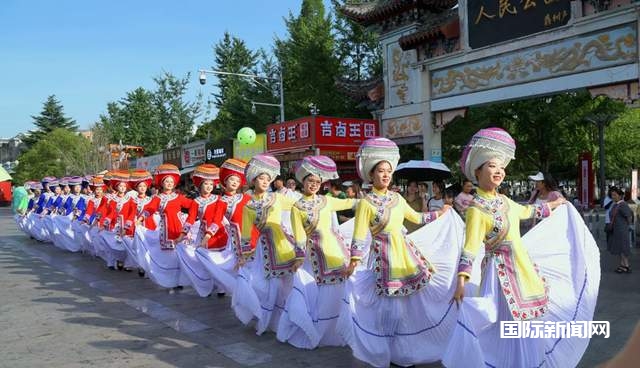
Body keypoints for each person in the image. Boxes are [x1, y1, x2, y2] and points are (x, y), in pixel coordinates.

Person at [444, 127, 600, 368]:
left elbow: (529, 211)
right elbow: (470, 248)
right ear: (477, 171)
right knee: (506, 327)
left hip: (522, 271)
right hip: (498, 277)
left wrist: (555, 205)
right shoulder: (476, 208)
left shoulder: (505, 201)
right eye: (491, 166)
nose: (498, 171)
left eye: (501, 167)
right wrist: (461, 281)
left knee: (526, 326)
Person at [337, 137, 458, 368]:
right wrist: (353, 261)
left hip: (405, 257)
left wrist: (440, 214)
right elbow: (360, 235)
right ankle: (384, 350)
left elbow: (417, 218)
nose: (385, 175)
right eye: (380, 171)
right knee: (389, 310)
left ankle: (402, 352)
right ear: (371, 175)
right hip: (383, 260)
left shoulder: (397, 198)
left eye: (388, 171)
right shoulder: (366, 203)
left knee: (406, 309)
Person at [276, 155, 356, 349]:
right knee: (317, 293)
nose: (314, 184)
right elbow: (299, 236)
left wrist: (369, 202)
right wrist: (299, 257)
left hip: (336, 251)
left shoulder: (326, 201)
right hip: (315, 255)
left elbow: (349, 204)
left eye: (317, 181)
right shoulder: (297, 207)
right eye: (310, 181)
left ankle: (342, 330)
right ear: (303, 182)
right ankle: (320, 331)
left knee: (340, 289)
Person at [232, 153, 302, 335]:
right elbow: (246, 235)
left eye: (268, 179)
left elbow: (300, 203)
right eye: (261, 178)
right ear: (253, 181)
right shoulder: (248, 207)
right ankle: (271, 320)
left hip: (283, 243)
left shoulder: (277, 198)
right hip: (264, 250)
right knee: (267, 286)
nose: (265, 182)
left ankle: (290, 320)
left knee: (288, 284)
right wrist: (243, 256)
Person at [196, 158, 256, 297]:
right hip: (237, 238)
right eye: (231, 180)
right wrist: (207, 235)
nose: (234, 183)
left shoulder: (246, 197)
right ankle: (245, 295)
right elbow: (216, 221)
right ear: (224, 183)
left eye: (237, 180)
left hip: (254, 233)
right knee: (243, 267)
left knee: (256, 265)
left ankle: (254, 294)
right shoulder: (221, 201)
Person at [134, 164, 193, 289]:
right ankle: (171, 280)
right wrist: (140, 218)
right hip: (166, 230)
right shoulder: (158, 198)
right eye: (167, 181)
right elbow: (149, 209)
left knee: (181, 255)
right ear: (162, 183)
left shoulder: (179, 197)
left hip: (179, 229)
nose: (170, 183)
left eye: (172, 181)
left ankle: (181, 280)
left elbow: (193, 205)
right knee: (170, 257)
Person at [175, 164, 228, 297]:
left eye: (211, 184)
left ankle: (221, 287)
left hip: (218, 235)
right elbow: (190, 220)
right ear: (200, 185)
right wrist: (182, 235)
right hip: (202, 234)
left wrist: (208, 236)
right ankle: (207, 285)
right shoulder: (196, 202)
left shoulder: (218, 200)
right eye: (206, 184)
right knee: (205, 262)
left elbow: (217, 219)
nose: (209, 186)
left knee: (218, 261)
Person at [607, 187, 633, 273]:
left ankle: (626, 265)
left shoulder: (623, 205)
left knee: (623, 248)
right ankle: (622, 265)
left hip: (621, 230)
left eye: (615, 195)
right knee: (619, 248)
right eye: (612, 195)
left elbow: (629, 216)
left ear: (620, 195)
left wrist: (625, 226)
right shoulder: (616, 204)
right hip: (617, 230)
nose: (613, 197)